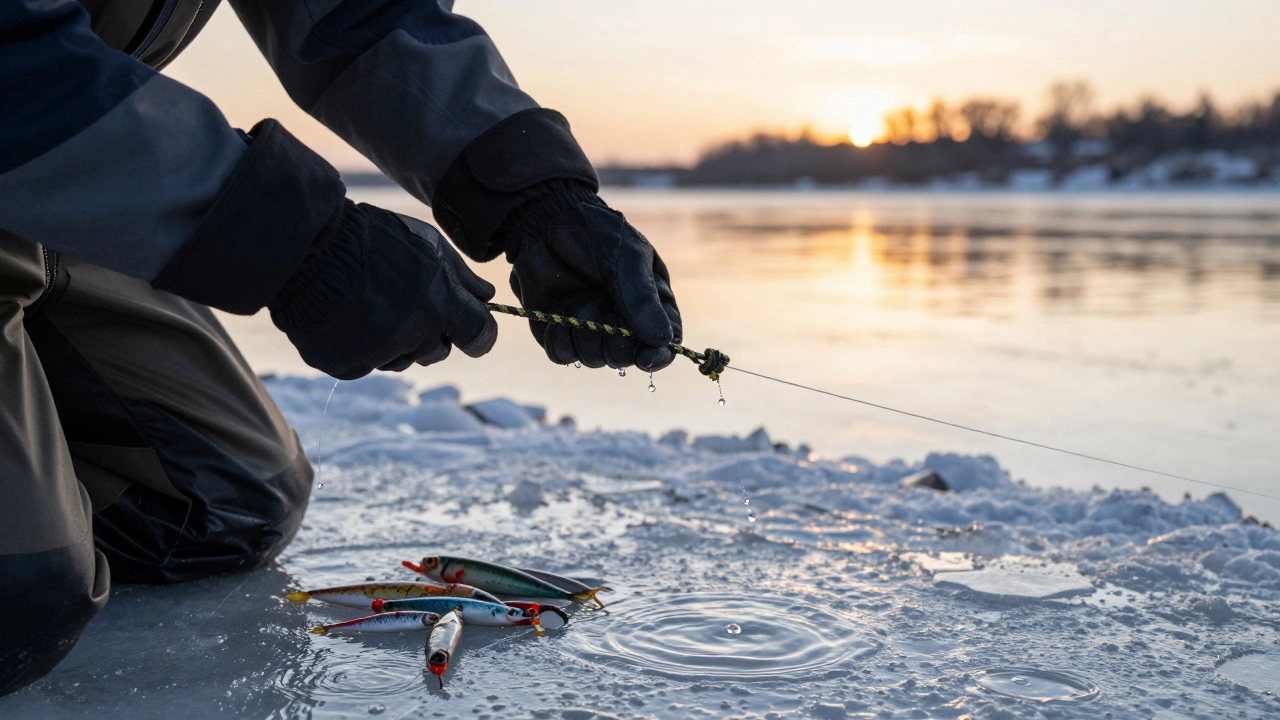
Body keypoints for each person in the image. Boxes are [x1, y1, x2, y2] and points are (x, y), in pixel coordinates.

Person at [0, 0, 682, 695]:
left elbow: (362, 11)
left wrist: (536, 196)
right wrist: (298, 244)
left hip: (43, 183)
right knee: (20, 596)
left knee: (223, 506)